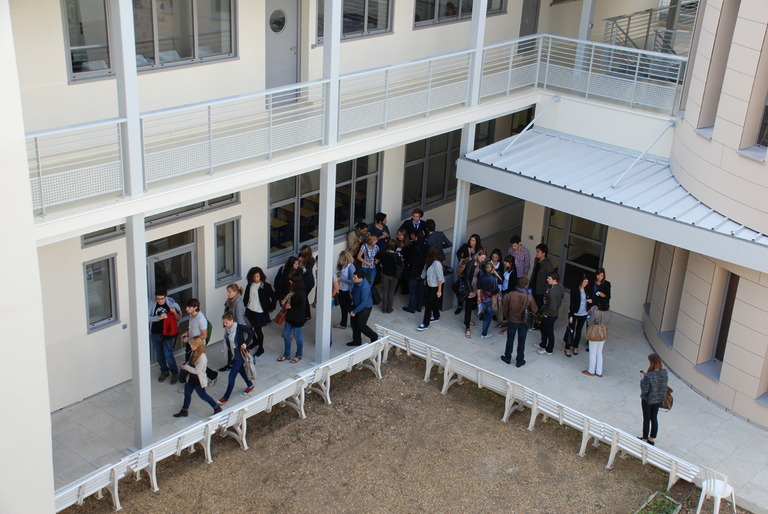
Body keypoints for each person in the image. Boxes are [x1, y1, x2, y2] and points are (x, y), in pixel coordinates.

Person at [173, 336, 222, 417]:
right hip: (190, 378)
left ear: (198, 345)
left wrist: (185, 367)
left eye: (192, 344)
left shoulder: (202, 357)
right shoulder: (194, 352)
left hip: (197, 380)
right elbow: (191, 361)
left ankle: (216, 407)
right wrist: (187, 363)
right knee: (187, 394)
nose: (191, 346)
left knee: (203, 396)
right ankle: (184, 410)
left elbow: (197, 371)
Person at [218, 311, 255, 404]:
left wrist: (246, 344)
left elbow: (251, 333)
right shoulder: (228, 329)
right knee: (241, 370)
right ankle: (250, 385)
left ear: (232, 320)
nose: (225, 324)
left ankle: (226, 397)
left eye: (226, 322)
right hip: (234, 355)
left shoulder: (239, 327)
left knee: (231, 376)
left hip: (239, 356)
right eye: (224, 322)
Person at [500, 277, 538, 368]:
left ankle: (507, 357)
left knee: (510, 340)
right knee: (521, 342)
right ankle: (519, 361)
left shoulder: (511, 294)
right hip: (523, 323)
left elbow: (505, 308)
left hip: (512, 320)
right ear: (525, 285)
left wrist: (508, 317)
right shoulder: (529, 297)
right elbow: (535, 310)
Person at [148, 288, 181, 384]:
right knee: (159, 355)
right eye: (158, 299)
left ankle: (174, 372)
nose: (160, 300)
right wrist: (158, 318)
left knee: (168, 354)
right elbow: (146, 317)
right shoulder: (151, 304)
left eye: (162, 298)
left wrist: (174, 312)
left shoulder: (172, 304)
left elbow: (179, 318)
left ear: (166, 297)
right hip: (155, 332)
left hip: (167, 333)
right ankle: (164, 371)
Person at [243, 266, 276, 357]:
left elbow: (273, 297)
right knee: (248, 328)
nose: (256, 279)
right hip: (250, 309)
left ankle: (261, 347)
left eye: (258, 276)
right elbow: (246, 297)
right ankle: (255, 341)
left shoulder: (265, 286)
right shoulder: (250, 285)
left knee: (258, 330)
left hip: (259, 311)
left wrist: (271, 307)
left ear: (261, 276)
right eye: (254, 277)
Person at [639, 353, 668, 445]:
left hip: (648, 400)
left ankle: (644, 439)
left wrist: (642, 379)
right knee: (654, 418)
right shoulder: (664, 372)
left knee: (646, 419)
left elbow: (645, 390)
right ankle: (652, 439)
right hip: (658, 399)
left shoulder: (649, 376)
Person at [278, 273, 307, 363]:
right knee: (286, 335)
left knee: (298, 337)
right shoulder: (292, 290)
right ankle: (287, 354)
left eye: (292, 280)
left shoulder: (301, 293)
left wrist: (291, 306)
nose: (290, 281)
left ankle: (299, 354)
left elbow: (303, 307)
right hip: (290, 317)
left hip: (297, 318)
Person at [347, 270, 378, 346]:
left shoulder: (365, 287)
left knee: (361, 324)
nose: (353, 278)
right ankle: (357, 341)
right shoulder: (356, 283)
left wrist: (354, 311)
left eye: (355, 277)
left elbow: (364, 303)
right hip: (356, 304)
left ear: (360, 278)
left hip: (365, 307)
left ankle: (374, 336)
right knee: (354, 324)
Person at [461, 249, 487, 339]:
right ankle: (467, 328)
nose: (483, 259)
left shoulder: (479, 264)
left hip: (475, 286)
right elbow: (466, 278)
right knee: (468, 307)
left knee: (471, 305)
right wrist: (470, 290)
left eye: (484, 258)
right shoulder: (471, 263)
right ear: (478, 256)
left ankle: (467, 321)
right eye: (482, 257)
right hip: (470, 287)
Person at [417, 246, 445, 331]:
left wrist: (439, 291)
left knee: (428, 304)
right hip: (430, 284)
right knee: (433, 301)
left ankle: (426, 323)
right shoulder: (429, 262)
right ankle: (436, 316)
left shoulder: (437, 264)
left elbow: (440, 278)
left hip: (436, 286)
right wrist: (425, 279)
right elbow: (426, 271)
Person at [564, 274, 592, 357]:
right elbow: (572, 303)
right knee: (571, 330)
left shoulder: (587, 289)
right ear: (580, 282)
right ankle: (567, 347)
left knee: (579, 331)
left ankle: (576, 346)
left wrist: (590, 301)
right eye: (584, 282)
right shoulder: (575, 289)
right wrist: (571, 315)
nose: (585, 284)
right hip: (575, 312)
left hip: (583, 313)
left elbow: (590, 299)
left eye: (586, 282)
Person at [220, 282, 246, 371]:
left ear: (235, 292)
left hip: (234, 329)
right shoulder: (230, 300)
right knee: (229, 347)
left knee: (234, 348)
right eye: (227, 292)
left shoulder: (238, 303)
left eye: (229, 292)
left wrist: (238, 333)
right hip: (229, 327)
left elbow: (239, 320)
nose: (228, 294)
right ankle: (231, 363)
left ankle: (236, 364)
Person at [536, 271, 563, 355]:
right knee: (543, 329)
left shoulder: (552, 292)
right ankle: (543, 344)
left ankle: (549, 349)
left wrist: (546, 313)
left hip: (550, 314)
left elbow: (552, 306)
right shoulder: (560, 286)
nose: (547, 280)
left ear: (555, 280)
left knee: (549, 332)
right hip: (554, 314)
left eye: (549, 279)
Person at [402, 229, 427, 313]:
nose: (411, 236)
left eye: (412, 235)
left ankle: (412, 308)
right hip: (423, 271)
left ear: (416, 237)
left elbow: (407, 257)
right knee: (420, 290)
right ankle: (419, 307)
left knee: (412, 291)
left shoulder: (412, 247)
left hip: (413, 271)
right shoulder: (426, 245)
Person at [530, 243, 554, 317]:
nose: (536, 253)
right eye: (536, 251)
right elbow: (534, 272)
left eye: (538, 252)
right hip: (534, 285)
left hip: (541, 289)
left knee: (539, 305)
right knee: (532, 303)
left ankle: (537, 320)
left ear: (543, 253)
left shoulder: (548, 264)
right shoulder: (536, 260)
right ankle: (531, 319)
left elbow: (550, 279)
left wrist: (546, 291)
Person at [377, 239, 401, 314]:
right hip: (394, 275)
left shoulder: (382, 253)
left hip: (384, 274)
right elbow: (400, 265)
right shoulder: (396, 255)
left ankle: (384, 308)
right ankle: (389, 308)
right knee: (391, 292)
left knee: (385, 291)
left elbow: (376, 258)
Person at [477, 260, 499, 338]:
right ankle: (484, 333)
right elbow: (502, 281)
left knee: (485, 313)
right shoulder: (495, 278)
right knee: (488, 317)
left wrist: (479, 298)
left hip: (483, 297)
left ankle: (484, 329)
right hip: (491, 299)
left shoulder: (481, 277)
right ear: (492, 269)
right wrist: (496, 273)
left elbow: (478, 288)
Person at [335, 251, 356, 328]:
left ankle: (354, 323)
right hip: (342, 289)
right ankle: (343, 323)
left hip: (347, 291)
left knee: (348, 308)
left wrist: (341, 279)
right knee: (343, 307)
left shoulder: (351, 267)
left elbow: (353, 281)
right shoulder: (344, 266)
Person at [498, 255, 517, 333]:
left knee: (508, 310)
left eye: (506, 262)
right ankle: (504, 322)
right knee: (504, 309)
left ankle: (509, 327)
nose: (504, 263)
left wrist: (504, 292)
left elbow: (512, 286)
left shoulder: (514, 272)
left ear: (511, 263)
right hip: (504, 291)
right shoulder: (508, 269)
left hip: (508, 293)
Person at [298, 245, 316, 320]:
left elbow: (307, 271)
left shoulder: (311, 260)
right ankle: (305, 314)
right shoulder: (300, 255)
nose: (301, 254)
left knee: (304, 298)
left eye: (303, 254)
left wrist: (301, 264)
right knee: (304, 298)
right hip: (301, 282)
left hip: (308, 283)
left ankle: (307, 315)